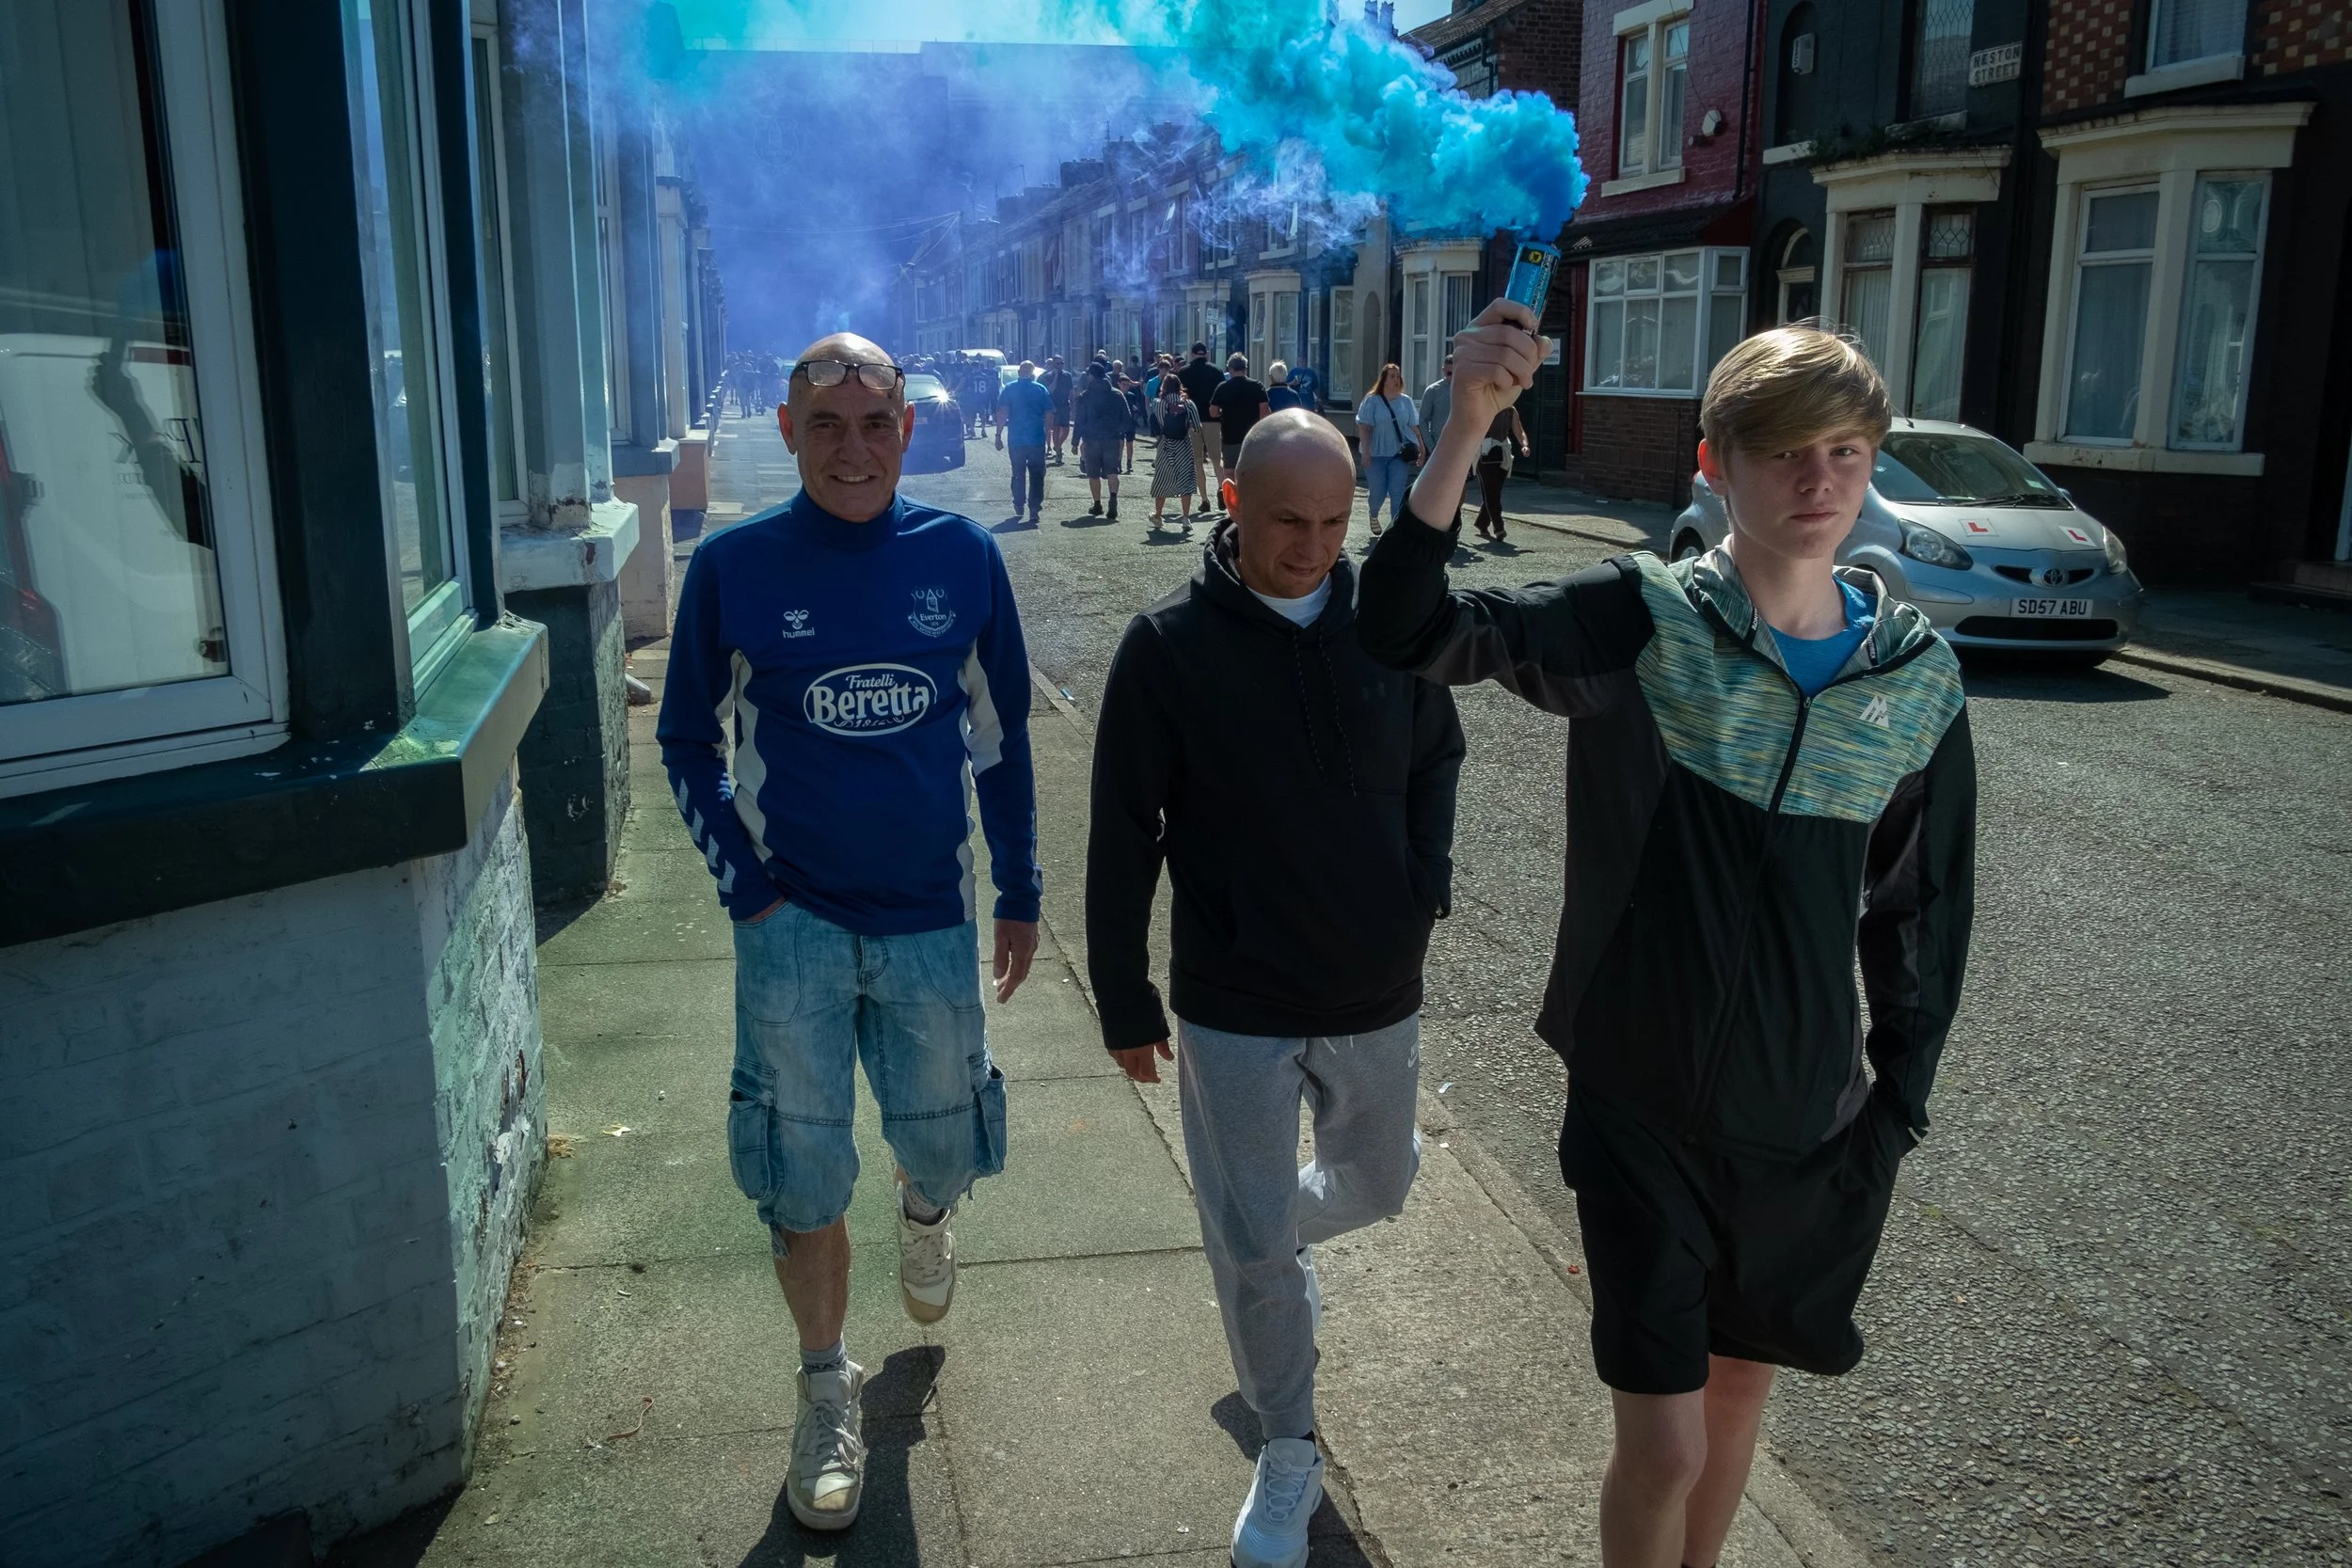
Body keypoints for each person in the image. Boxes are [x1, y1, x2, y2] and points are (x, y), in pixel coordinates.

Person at [1357, 314, 1977, 1568]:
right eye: (1785, 450)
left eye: (1846, 452)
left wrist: (1895, 1107)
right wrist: (1465, 426)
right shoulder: (1642, 616)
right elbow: (1407, 625)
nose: (1817, 480)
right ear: (1715, 462)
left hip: (1803, 1123)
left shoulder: (1912, 678)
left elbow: (1920, 909)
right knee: (1667, 1445)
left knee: (1737, 1401)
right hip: (1639, 1105)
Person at [659, 333, 1043, 1534]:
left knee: (944, 1141)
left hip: (930, 916)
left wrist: (1021, 889)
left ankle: (925, 1212)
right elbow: (686, 740)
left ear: (908, 428)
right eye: (825, 424)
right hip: (795, 927)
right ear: (786, 431)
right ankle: (826, 1386)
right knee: (802, 1170)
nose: (853, 448)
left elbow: (1001, 740)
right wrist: (748, 891)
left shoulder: (963, 557)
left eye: (875, 421)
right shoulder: (733, 567)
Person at [1089, 408, 1465, 1568]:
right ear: (1232, 501)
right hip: (1234, 995)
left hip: (1375, 981)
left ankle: (1250, 1242)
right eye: (1287, 521)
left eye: (1336, 521)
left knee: (1379, 1182)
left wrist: (1424, 885)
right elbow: (1122, 829)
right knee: (1260, 1247)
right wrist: (1122, 994)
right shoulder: (1165, 646)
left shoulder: (1390, 626)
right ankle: (1287, 1439)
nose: (1312, 547)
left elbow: (1438, 752)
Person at [1354, 363, 1419, 538]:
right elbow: (1364, 427)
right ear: (1384, 379)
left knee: (1397, 492)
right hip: (1375, 454)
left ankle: (1394, 531)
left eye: (1398, 376)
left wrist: (1421, 448)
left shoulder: (1406, 401)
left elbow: (1414, 426)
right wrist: (1365, 452)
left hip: (1399, 454)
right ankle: (1373, 513)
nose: (1396, 380)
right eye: (1392, 376)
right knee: (1378, 493)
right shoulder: (1372, 400)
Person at [996, 360, 1052, 526]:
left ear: (1019, 373)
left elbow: (1003, 412)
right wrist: (1047, 434)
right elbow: (1049, 414)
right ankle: (1034, 508)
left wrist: (998, 434)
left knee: (1018, 473)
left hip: (1016, 439)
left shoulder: (1009, 388)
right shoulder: (1040, 389)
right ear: (1032, 374)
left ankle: (1019, 503)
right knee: (1037, 475)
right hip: (1036, 439)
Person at [1073, 359, 1129, 519]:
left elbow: (1079, 421)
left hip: (1092, 439)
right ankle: (1113, 499)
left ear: (1091, 376)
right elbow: (1127, 418)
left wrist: (1075, 442)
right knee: (1113, 471)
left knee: (1093, 473)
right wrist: (1119, 432)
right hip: (1111, 438)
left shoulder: (1085, 396)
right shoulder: (1117, 394)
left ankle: (1097, 505)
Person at [1177, 342, 1226, 516]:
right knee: (1216, 459)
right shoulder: (1216, 371)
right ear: (1206, 354)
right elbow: (1222, 394)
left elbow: (1179, 397)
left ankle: (1204, 500)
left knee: (1197, 461)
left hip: (1192, 420)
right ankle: (1222, 490)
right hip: (1213, 419)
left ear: (1192, 354)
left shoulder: (1183, 372)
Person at [1207, 353, 1271, 484]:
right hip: (1252, 437)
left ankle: (1232, 496)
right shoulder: (1257, 386)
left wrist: (1222, 413)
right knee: (1252, 471)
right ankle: (1249, 495)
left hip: (1230, 437)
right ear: (1245, 369)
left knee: (1230, 472)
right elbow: (1265, 413)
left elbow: (1213, 412)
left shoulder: (1223, 387)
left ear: (1230, 369)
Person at [1147, 376, 1200, 531]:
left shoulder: (1158, 403)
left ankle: (1158, 515)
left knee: (1162, 480)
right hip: (1184, 446)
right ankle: (1185, 518)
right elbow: (1197, 427)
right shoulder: (1189, 404)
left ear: (1164, 387)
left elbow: (1159, 422)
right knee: (1186, 480)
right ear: (1179, 386)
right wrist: (1188, 426)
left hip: (1166, 446)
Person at [1470, 404, 1529, 542]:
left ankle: (1482, 523)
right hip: (1485, 451)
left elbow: (1519, 431)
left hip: (1503, 451)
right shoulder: (1484, 405)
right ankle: (1499, 528)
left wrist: (1525, 445)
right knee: (1491, 492)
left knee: (1494, 491)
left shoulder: (1510, 410)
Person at [1043, 355, 1073, 464]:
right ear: (1054, 364)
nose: (1060, 365)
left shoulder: (1068, 375)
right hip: (1054, 406)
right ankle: (1058, 453)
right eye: (1058, 363)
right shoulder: (1048, 376)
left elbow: (1071, 390)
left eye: (1062, 363)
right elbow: (1050, 390)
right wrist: (1055, 376)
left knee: (1066, 430)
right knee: (1055, 429)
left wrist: (1073, 403)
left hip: (1065, 405)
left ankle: (1058, 445)